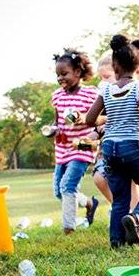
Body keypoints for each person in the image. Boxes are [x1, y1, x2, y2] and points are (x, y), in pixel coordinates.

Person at [86, 34, 139, 248]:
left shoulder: (105, 89)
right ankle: (136, 218)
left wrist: (106, 119)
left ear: (114, 66)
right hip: (133, 145)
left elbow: (89, 120)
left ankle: (117, 242)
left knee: (120, 198)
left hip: (110, 149)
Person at [50, 48, 100, 235]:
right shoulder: (57, 96)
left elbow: (101, 118)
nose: (60, 78)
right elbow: (58, 122)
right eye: (57, 75)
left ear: (78, 72)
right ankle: (89, 203)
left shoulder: (91, 94)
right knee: (58, 191)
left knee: (67, 186)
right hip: (63, 148)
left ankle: (68, 228)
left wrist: (84, 118)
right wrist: (54, 130)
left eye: (64, 74)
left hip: (84, 145)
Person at [90, 55, 139, 210]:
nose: (102, 82)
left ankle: (135, 219)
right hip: (108, 150)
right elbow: (95, 124)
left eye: (106, 77)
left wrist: (107, 122)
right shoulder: (104, 97)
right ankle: (120, 209)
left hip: (129, 146)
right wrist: (89, 137)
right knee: (99, 178)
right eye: (100, 78)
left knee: (131, 184)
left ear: (119, 72)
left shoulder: (133, 92)